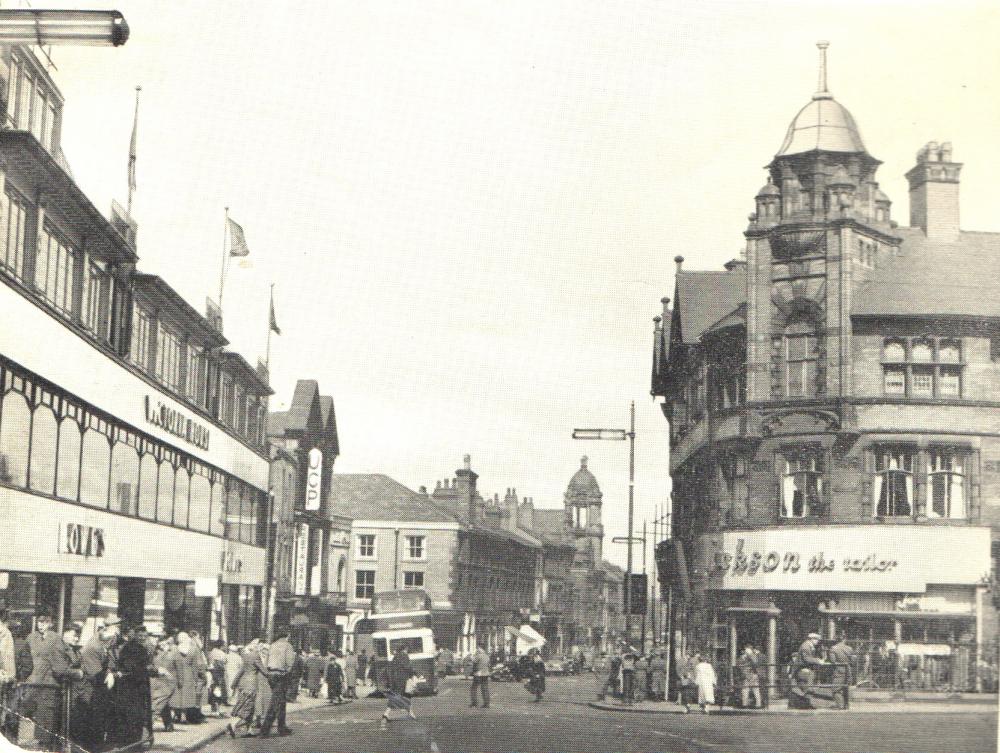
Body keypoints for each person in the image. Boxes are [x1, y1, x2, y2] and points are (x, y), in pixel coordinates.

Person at [24, 611, 73, 749]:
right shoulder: (31, 638)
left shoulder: (55, 638)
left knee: (46, 719)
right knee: (34, 717)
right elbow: (24, 658)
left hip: (47, 685)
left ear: (51, 623)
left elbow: (63, 662)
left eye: (45, 622)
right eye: (39, 621)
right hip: (35, 683)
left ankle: (44, 747)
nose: (41, 625)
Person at [108, 624, 160, 748]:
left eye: (144, 636)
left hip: (135, 688)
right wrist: (150, 670)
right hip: (132, 689)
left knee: (134, 717)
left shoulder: (137, 648)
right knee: (133, 717)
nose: (142, 638)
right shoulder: (132, 648)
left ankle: (132, 743)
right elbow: (131, 668)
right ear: (135, 636)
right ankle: (132, 745)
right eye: (140, 635)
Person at [258, 626, 296, 738]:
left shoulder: (272, 645)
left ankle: (282, 727)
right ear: (287, 636)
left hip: (271, 675)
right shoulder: (288, 646)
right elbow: (290, 664)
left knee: (281, 702)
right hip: (281, 675)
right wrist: (287, 674)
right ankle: (264, 730)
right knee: (275, 703)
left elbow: (265, 662)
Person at [227, 641, 262, 739]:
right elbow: (264, 671)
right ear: (255, 649)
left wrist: (233, 684)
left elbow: (240, 672)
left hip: (242, 686)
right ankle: (233, 726)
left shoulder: (245, 658)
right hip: (251, 686)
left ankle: (249, 730)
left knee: (245, 706)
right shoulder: (256, 657)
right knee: (248, 708)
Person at [380, 647, 415, 729]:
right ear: (405, 649)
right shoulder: (404, 656)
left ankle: (387, 714)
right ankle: (410, 713)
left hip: (394, 680)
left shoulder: (395, 657)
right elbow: (408, 667)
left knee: (398, 696)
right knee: (405, 696)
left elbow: (390, 668)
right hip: (402, 679)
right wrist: (414, 674)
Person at [151, 636, 180, 733]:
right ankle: (169, 724)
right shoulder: (154, 653)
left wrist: (180, 681)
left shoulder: (173, 654)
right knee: (163, 703)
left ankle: (147, 728)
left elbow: (179, 668)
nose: (164, 645)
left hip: (168, 682)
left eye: (166, 643)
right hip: (156, 681)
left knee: (158, 705)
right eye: (161, 643)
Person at [789, 632, 826, 710]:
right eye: (816, 639)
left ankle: (805, 704)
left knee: (807, 688)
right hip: (803, 670)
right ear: (811, 639)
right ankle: (804, 704)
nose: (818, 641)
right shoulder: (806, 646)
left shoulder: (809, 646)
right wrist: (818, 661)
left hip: (804, 670)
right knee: (808, 688)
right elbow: (807, 659)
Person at [828, 632, 854, 710]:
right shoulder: (849, 648)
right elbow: (853, 660)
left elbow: (833, 661)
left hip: (839, 670)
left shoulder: (833, 648)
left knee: (835, 688)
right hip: (848, 670)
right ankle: (846, 705)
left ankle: (839, 705)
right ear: (844, 639)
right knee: (846, 687)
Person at [738, 644, 762, 709]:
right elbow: (740, 664)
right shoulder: (746, 656)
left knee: (753, 689)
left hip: (752, 674)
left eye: (746, 649)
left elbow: (755, 663)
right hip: (748, 674)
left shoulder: (752, 656)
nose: (745, 650)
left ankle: (757, 704)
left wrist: (749, 655)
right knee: (747, 690)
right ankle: (745, 704)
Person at [208, 641, 229, 713]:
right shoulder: (221, 653)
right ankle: (217, 710)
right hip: (219, 674)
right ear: (221, 646)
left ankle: (213, 709)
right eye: (224, 645)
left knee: (213, 691)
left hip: (212, 674)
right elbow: (224, 662)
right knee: (219, 691)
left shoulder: (211, 652)